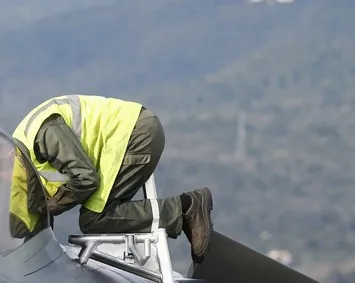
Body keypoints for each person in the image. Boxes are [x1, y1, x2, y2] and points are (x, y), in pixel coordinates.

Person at [12, 94, 214, 263]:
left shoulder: (41, 135)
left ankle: (185, 207)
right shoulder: (24, 159)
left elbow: (85, 179)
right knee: (96, 217)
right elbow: (27, 220)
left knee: (95, 218)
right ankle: (181, 211)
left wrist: (51, 206)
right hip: (131, 133)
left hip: (134, 134)